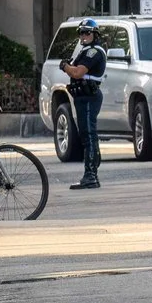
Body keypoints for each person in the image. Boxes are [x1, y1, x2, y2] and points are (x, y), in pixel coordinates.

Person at [61, 19, 109, 190]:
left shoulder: (93, 52)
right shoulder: (85, 50)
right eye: (81, 32)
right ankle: (92, 171)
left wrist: (65, 66)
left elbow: (77, 72)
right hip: (83, 96)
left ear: (95, 34)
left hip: (89, 96)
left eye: (87, 32)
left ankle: (91, 176)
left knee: (88, 135)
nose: (83, 36)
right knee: (87, 135)